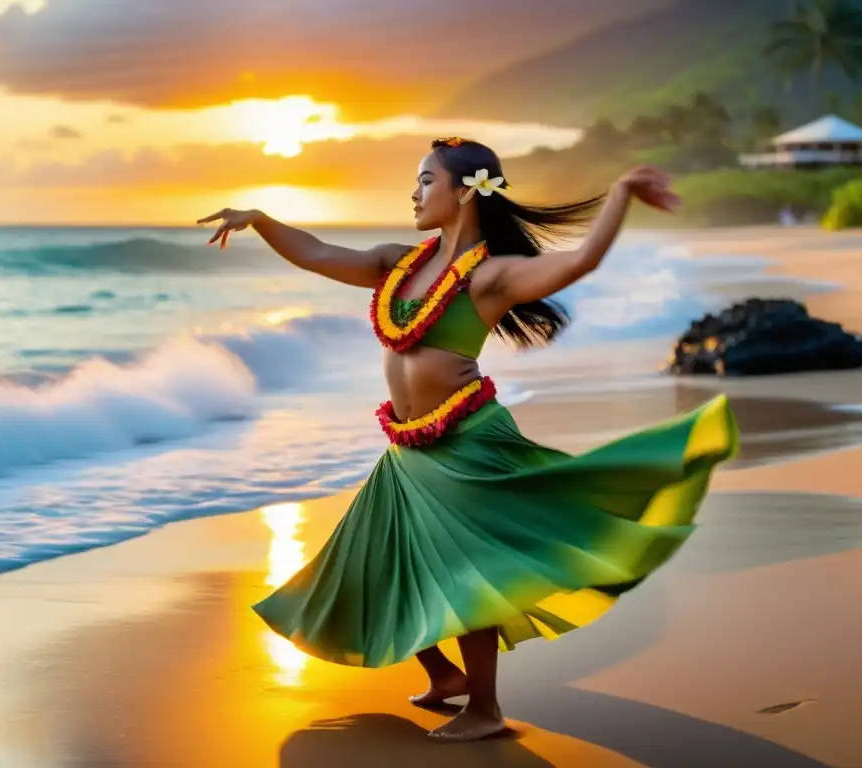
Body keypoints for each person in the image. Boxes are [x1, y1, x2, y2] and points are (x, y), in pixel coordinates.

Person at [198, 138, 738, 743]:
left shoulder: (490, 277)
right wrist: (262, 220)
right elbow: (319, 252)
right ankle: (446, 676)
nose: (414, 193)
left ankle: (484, 708)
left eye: (426, 181)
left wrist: (618, 196)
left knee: (465, 574)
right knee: (375, 566)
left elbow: (579, 261)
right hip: (407, 450)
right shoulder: (399, 264)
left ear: (464, 191)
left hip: (465, 444)